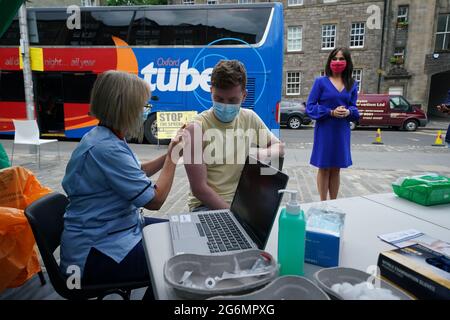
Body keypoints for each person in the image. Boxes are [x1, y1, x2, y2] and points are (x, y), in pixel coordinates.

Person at [59, 70, 183, 299]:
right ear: (124, 108)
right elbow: (156, 200)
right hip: (93, 254)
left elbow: (137, 172)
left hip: (116, 232)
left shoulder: (104, 136)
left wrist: (170, 153)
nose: (145, 113)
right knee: (178, 264)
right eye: (143, 107)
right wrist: (173, 158)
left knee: (179, 230)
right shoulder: (106, 148)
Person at [183, 60, 285, 212]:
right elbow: (199, 190)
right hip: (205, 206)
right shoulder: (196, 128)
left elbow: (280, 147)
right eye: (218, 99)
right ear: (211, 91)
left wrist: (263, 153)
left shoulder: (249, 118)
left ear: (244, 96)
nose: (225, 105)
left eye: (232, 100)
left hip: (242, 202)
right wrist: (236, 216)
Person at [306, 48, 360, 201]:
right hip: (325, 129)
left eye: (341, 59)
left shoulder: (352, 84)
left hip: (341, 130)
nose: (337, 62)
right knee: (324, 168)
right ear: (329, 61)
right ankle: (323, 203)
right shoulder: (320, 82)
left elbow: (354, 108)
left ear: (347, 62)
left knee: (336, 169)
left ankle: (334, 202)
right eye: (334, 58)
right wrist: (330, 112)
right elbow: (310, 107)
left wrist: (349, 112)